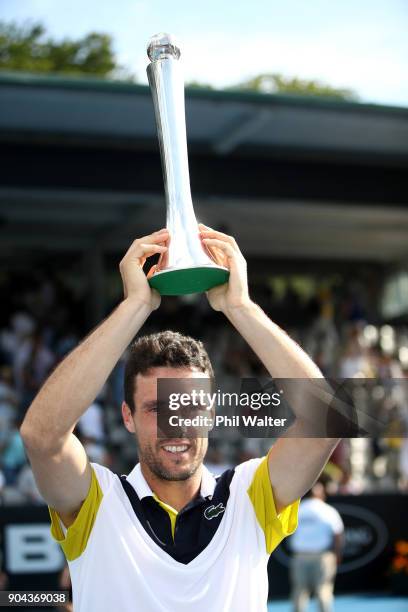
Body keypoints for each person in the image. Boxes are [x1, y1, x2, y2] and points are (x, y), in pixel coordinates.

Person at [20, 225, 341, 612]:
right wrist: (134, 306)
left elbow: (326, 420)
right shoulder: (96, 501)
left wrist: (240, 307)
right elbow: (42, 437)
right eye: (158, 408)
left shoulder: (249, 496)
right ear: (128, 416)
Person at [288, 481, 344, 612]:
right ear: (322, 494)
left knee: (299, 591)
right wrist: (338, 554)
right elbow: (338, 534)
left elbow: (286, 531)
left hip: (300, 556)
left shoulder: (297, 510)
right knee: (323, 589)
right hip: (322, 557)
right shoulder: (329, 510)